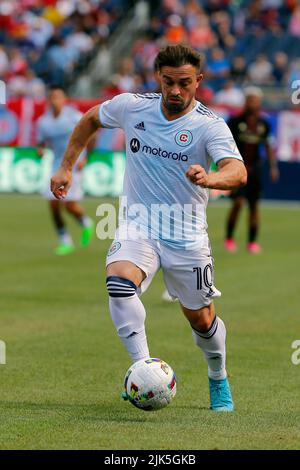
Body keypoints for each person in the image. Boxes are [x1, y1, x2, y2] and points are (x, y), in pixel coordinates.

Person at [51, 45, 247, 411]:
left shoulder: (209, 126)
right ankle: (144, 367)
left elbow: (238, 171)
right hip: (137, 227)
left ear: (198, 82)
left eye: (184, 83)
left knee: (201, 320)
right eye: (168, 82)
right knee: (119, 283)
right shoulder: (133, 106)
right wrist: (66, 166)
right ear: (158, 77)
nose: (175, 91)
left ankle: (218, 376)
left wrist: (211, 177)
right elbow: (91, 118)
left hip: (187, 238)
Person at [36, 85, 94, 255]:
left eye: (58, 97)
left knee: (70, 205)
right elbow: (41, 142)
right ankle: (64, 240)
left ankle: (85, 222)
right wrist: (39, 150)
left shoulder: (74, 117)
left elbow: (92, 133)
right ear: (48, 100)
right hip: (56, 166)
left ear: (64, 99)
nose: (55, 101)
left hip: (74, 164)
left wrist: (85, 157)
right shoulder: (43, 122)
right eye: (52, 97)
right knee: (53, 204)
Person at [224, 87, 279, 254]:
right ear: (245, 102)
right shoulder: (234, 121)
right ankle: (229, 238)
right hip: (237, 168)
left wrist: (273, 167)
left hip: (255, 170)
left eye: (255, 100)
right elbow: (225, 145)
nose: (252, 103)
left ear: (259, 102)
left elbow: (268, 146)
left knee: (254, 206)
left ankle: (252, 242)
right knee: (238, 203)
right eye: (250, 100)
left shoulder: (264, 124)